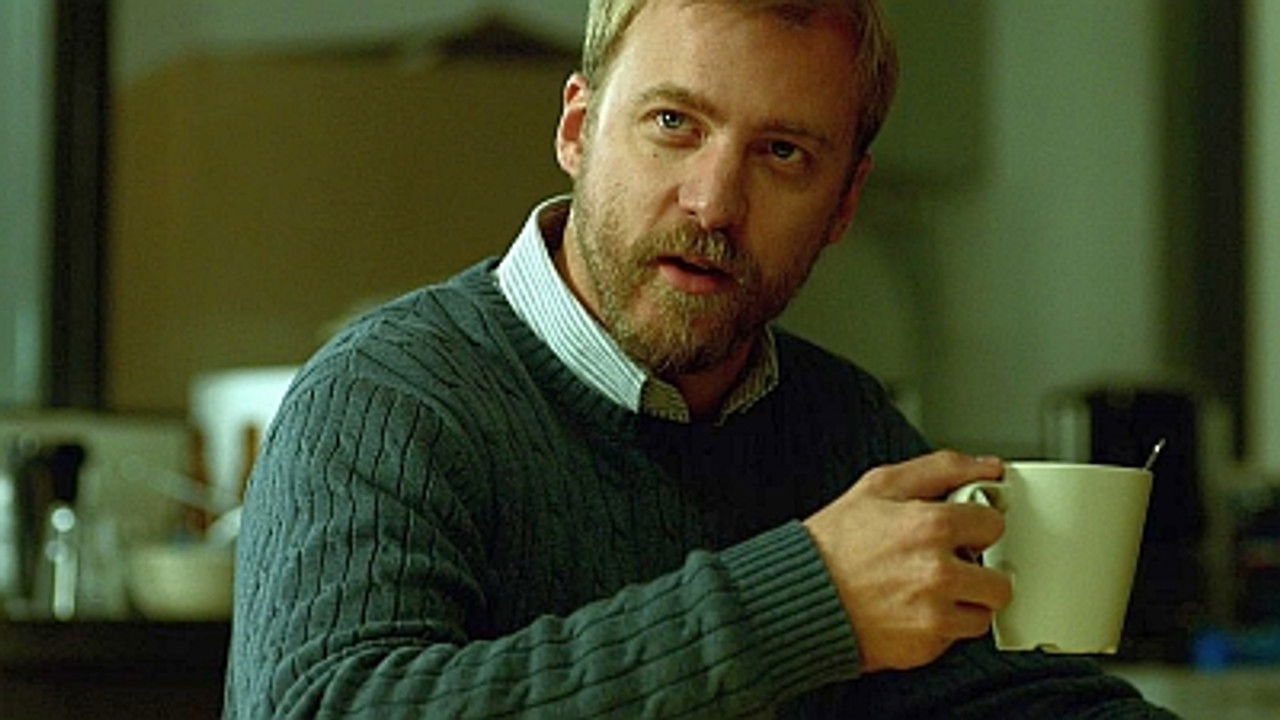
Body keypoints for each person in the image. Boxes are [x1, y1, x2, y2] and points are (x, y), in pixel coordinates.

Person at [225, 0, 1177, 717]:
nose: (715, 203)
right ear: (577, 129)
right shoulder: (382, 401)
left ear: (844, 204)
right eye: (674, 124)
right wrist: (808, 602)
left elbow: (1013, 701)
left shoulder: (841, 426)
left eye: (783, 153)